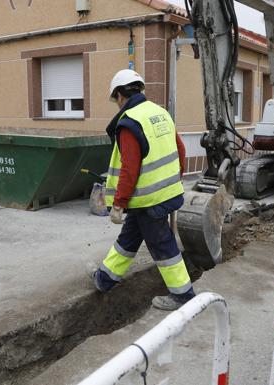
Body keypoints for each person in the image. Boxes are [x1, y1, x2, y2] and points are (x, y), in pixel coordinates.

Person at [89, 69, 195, 311]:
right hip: (163, 194)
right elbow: (180, 149)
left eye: (115, 99)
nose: (116, 104)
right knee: (128, 239)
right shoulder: (160, 113)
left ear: (119, 95)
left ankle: (183, 295)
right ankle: (104, 280)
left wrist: (118, 203)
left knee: (162, 246)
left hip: (148, 200)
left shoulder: (129, 123)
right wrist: (173, 181)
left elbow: (129, 168)